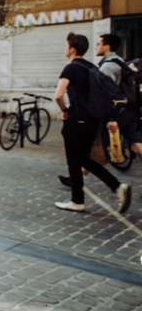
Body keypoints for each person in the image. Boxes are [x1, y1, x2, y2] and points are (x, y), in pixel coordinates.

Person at [53, 32, 131, 213]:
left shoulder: (71, 68)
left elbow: (58, 95)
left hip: (75, 121)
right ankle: (116, 187)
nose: (65, 49)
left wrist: (64, 111)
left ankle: (78, 200)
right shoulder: (91, 67)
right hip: (92, 122)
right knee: (83, 159)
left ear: (72, 49)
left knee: (74, 161)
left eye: (66, 46)